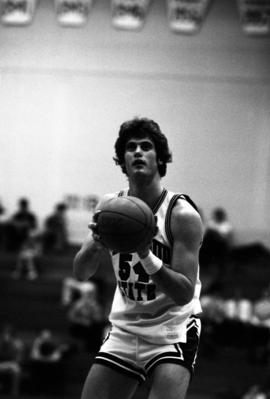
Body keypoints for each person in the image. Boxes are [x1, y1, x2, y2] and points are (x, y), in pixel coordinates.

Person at [73, 117, 203, 399]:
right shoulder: (110, 207)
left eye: (146, 146)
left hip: (173, 328)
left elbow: (183, 293)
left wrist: (146, 254)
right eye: (131, 147)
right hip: (126, 326)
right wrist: (94, 245)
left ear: (160, 159)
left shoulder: (181, 215)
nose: (138, 152)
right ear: (123, 159)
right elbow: (81, 273)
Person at [0, 324, 25, 396]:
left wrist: (12, 345)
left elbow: (20, 358)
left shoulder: (17, 343)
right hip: (1, 363)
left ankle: (14, 392)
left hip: (12, 364)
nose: (6, 335)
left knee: (16, 370)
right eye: (5, 332)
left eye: (9, 333)